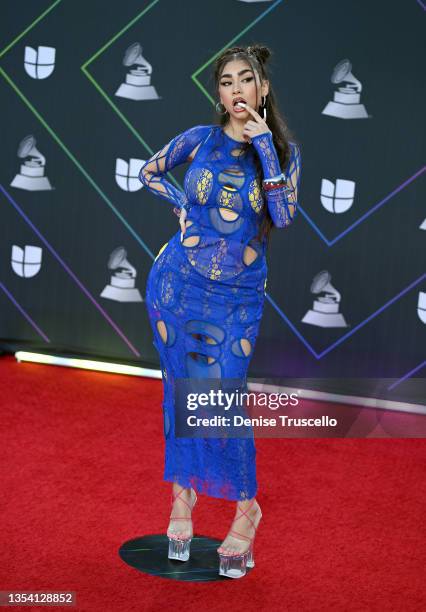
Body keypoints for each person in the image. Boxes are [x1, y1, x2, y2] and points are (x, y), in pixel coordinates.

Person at [138, 44, 301, 579]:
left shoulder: (282, 153)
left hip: (237, 299)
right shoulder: (201, 140)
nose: (235, 90)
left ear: (263, 89)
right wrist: (183, 206)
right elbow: (149, 171)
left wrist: (267, 151)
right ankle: (181, 500)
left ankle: (246, 508)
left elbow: (284, 214)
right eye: (226, 82)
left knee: (222, 399)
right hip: (176, 286)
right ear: (219, 93)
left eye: (245, 80)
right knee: (179, 388)